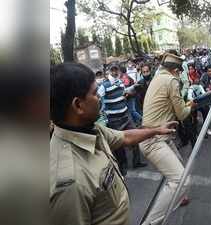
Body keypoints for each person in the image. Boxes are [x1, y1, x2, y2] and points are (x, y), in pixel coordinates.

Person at [50, 63, 178, 225]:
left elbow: (125, 137)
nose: (99, 99)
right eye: (95, 93)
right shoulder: (70, 182)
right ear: (78, 105)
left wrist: (156, 130)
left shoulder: (91, 129)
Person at [139, 53, 196, 225]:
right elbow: (182, 114)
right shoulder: (171, 81)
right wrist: (191, 106)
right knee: (181, 180)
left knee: (180, 171)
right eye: (179, 71)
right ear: (176, 70)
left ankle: (178, 197)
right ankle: (150, 223)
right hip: (154, 139)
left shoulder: (158, 78)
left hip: (159, 136)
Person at [98, 65, 146, 175]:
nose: (115, 72)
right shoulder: (104, 86)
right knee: (118, 144)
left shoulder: (120, 82)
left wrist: (132, 89)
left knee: (135, 138)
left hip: (125, 115)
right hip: (114, 120)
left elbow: (124, 92)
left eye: (116, 70)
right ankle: (122, 165)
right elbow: (98, 98)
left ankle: (136, 161)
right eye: (112, 70)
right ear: (108, 71)